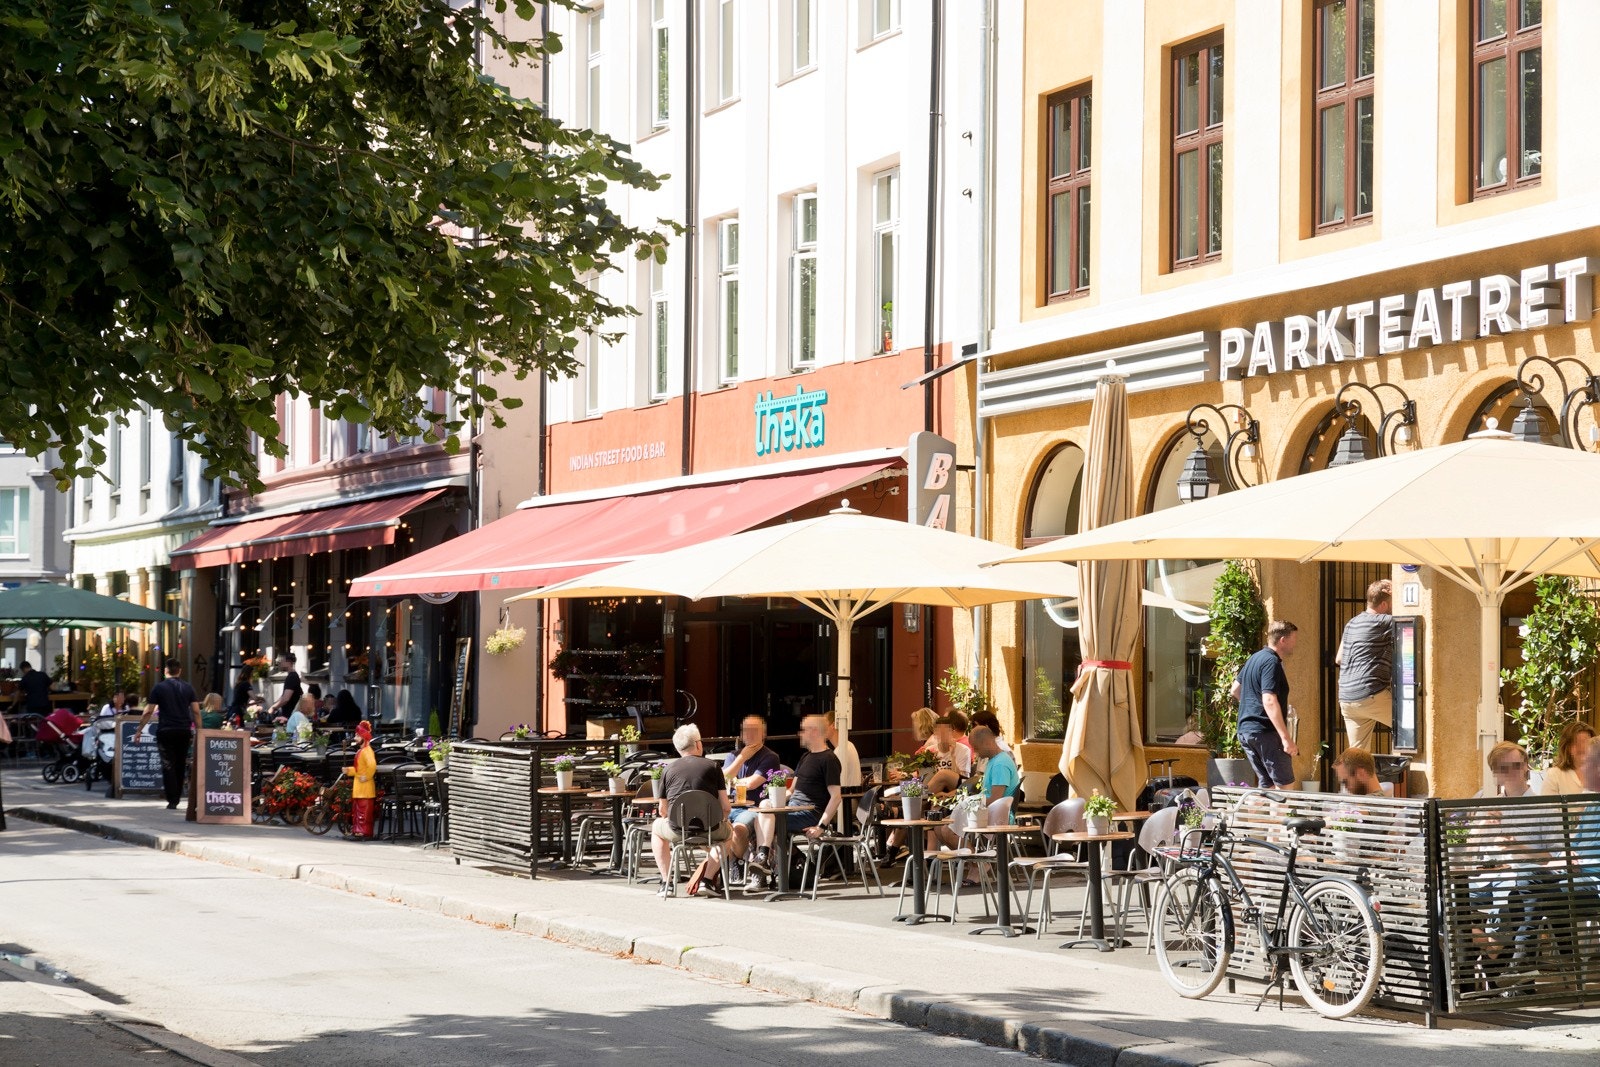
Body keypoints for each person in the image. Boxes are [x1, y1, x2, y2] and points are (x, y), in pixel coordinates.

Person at [747, 715, 841, 891]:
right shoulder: (806, 757)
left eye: (804, 729)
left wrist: (821, 826)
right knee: (764, 808)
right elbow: (791, 792)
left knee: (761, 821)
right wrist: (772, 800)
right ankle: (764, 860)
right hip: (794, 809)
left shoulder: (829, 759)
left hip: (809, 813)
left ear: (814, 731)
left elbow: (836, 796)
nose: (800, 734)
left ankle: (762, 865)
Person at [651, 724, 733, 897]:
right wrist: (722, 820)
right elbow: (726, 807)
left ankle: (667, 883)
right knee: (728, 834)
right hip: (711, 829)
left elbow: (662, 810)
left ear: (677, 747)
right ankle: (708, 880)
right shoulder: (713, 766)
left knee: (656, 830)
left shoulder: (667, 770)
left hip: (677, 830)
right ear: (698, 744)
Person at [1230, 620, 1301, 791]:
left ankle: (1240, 817)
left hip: (1247, 731)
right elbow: (1269, 700)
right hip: (1266, 733)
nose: (1295, 644)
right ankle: (1278, 818)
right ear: (1283, 640)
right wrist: (1286, 738)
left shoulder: (1255, 658)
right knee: (1284, 787)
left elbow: (1235, 690)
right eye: (1293, 639)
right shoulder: (1272, 662)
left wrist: (1253, 709)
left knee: (1267, 786)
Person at [132, 658, 201, 811]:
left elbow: (149, 710)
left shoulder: (159, 688)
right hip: (183, 730)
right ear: (180, 670)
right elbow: (196, 711)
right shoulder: (188, 688)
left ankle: (173, 799)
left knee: (168, 764)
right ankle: (177, 794)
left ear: (165, 671)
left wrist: (139, 730)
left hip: (166, 730)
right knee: (180, 762)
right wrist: (200, 730)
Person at [1335, 579, 1395, 751]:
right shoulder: (1384, 621)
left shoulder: (1352, 623)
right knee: (1411, 726)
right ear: (1384, 603)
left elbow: (1339, 659)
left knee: (1358, 754)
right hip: (1370, 694)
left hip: (1347, 697)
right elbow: (1412, 618)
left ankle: (1355, 779)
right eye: (1392, 602)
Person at [1541, 722, 1595, 796]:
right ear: (1566, 747)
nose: (1583, 748)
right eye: (1577, 743)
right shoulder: (1554, 775)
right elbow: (1547, 806)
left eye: (1586, 742)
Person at [345, 721, 377, 837]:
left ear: (364, 736)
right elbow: (359, 770)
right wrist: (349, 770)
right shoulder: (361, 751)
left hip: (365, 788)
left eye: (358, 735)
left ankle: (364, 831)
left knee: (364, 812)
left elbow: (372, 766)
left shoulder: (367, 752)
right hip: (359, 787)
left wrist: (367, 776)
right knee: (359, 811)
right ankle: (358, 830)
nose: (355, 738)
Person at [823, 709, 862, 789]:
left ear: (833, 725)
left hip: (846, 798)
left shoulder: (840, 751)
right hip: (852, 795)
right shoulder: (849, 745)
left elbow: (834, 783)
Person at [269, 654, 302, 720]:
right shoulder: (291, 676)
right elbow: (283, 696)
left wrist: (273, 707)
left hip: (290, 716)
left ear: (288, 662)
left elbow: (286, 698)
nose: (279, 662)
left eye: (281, 660)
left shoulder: (292, 677)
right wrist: (275, 705)